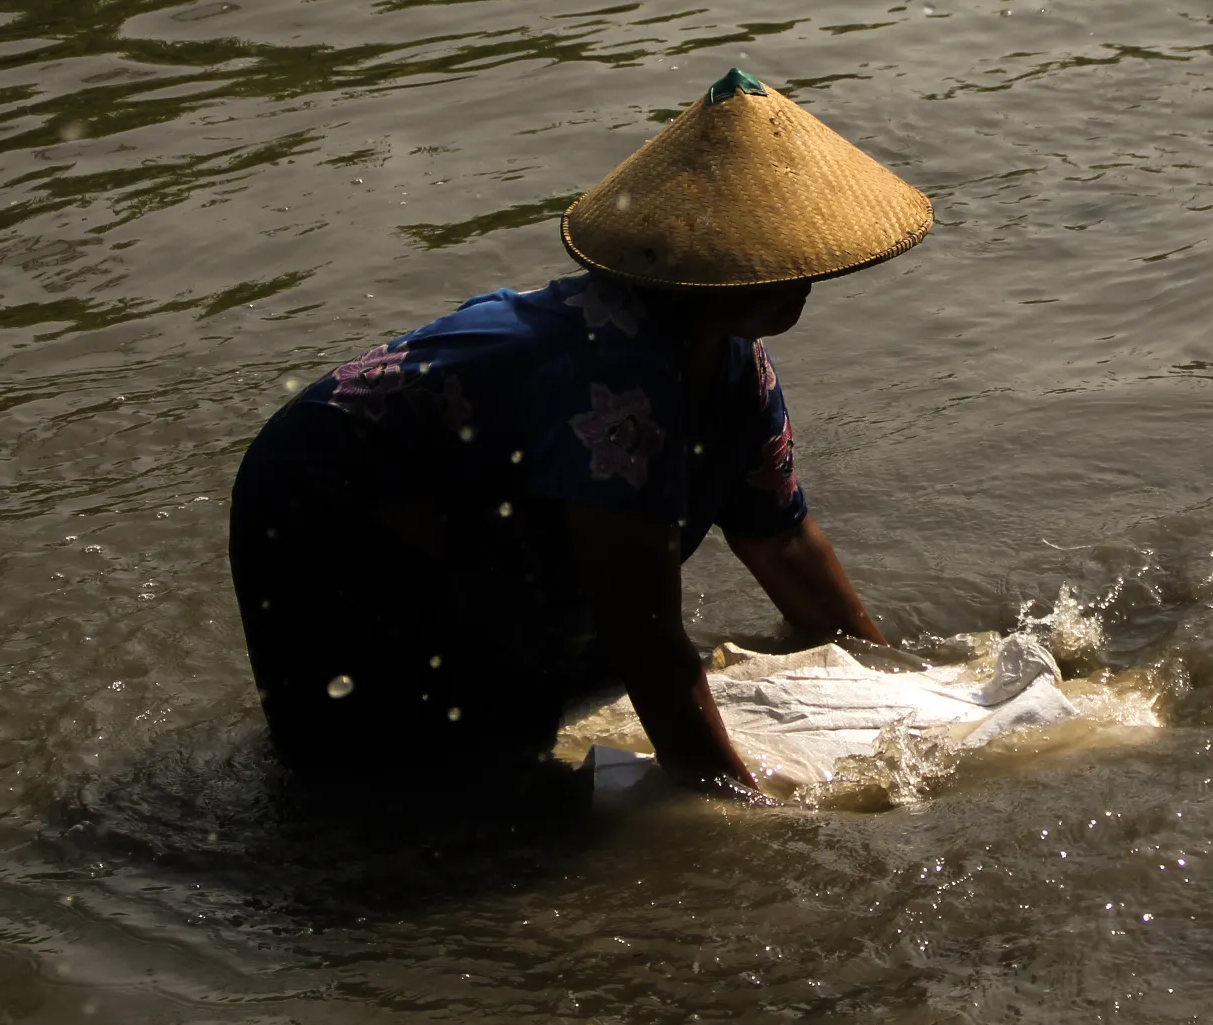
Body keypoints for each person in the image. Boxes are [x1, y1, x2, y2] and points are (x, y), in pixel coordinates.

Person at [226, 69, 931, 795]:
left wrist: (894, 688)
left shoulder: (736, 371)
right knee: (390, 764)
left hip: (460, 494)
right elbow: (642, 624)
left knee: (555, 684)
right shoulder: (620, 381)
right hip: (329, 493)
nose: (809, 276)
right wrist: (730, 794)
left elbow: (783, 543)